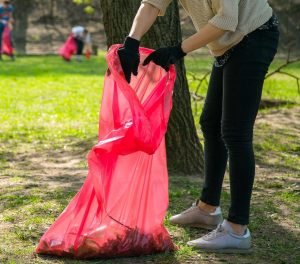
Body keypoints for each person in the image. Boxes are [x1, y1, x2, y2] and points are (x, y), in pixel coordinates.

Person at [117, 0, 279, 253]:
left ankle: (237, 230)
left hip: (254, 37)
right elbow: (150, 3)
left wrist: (179, 49)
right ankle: (208, 209)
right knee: (211, 124)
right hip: (227, 45)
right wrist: (132, 42)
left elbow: (227, 20)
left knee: (235, 133)